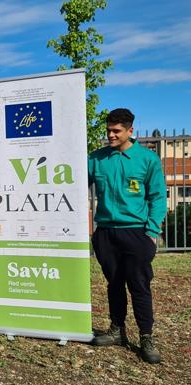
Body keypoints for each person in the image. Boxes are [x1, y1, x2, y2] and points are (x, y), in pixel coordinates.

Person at [88, 108, 166, 364]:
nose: (110, 135)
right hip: (106, 233)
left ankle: (146, 336)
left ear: (130, 131)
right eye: (108, 130)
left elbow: (157, 198)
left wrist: (151, 231)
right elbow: (73, 183)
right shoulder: (97, 159)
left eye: (116, 131)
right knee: (114, 283)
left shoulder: (147, 159)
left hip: (137, 233)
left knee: (139, 285)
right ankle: (116, 330)